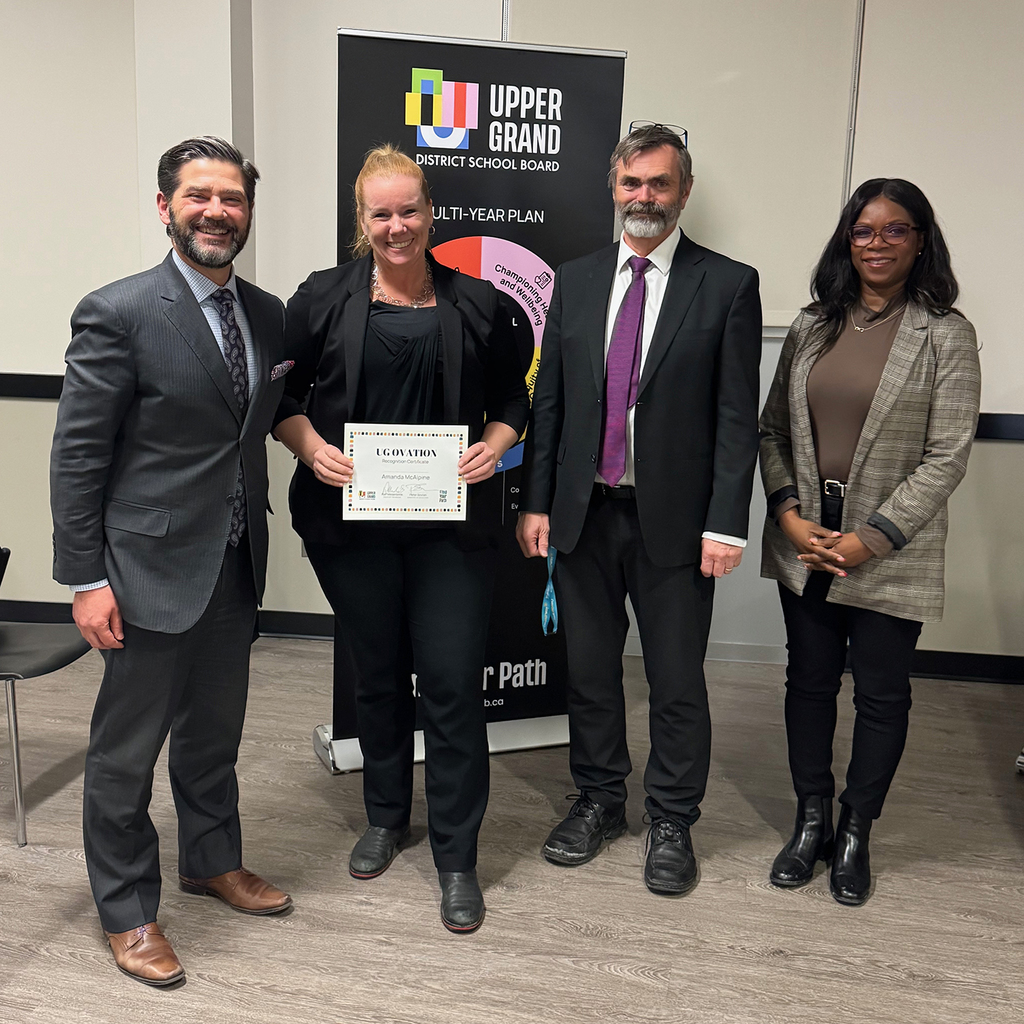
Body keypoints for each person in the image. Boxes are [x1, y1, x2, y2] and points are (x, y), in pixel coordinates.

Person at [50, 137, 293, 986]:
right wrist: (86, 579)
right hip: (143, 572)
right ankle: (127, 910)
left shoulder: (266, 314)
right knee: (125, 755)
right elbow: (78, 458)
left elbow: (264, 420)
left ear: (248, 213)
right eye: (199, 196)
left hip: (233, 561)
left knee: (212, 736)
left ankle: (211, 860)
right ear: (166, 208)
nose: (217, 211)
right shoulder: (117, 311)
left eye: (232, 198)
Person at [273, 145, 528, 933]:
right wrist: (310, 447)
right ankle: (386, 815)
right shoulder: (318, 300)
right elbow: (282, 402)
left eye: (408, 210)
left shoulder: (479, 304)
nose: (396, 226)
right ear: (362, 221)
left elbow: (514, 399)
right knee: (376, 675)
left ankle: (457, 857)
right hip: (351, 530)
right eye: (380, 213)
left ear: (430, 211)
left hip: (451, 533)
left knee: (451, 684)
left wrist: (497, 442)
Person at [516, 123, 762, 895]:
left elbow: (734, 418)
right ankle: (598, 800)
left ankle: (673, 819)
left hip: (678, 526)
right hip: (583, 515)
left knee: (676, 678)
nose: (645, 197)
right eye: (632, 183)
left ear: (684, 192)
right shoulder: (577, 279)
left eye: (660, 183)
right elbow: (548, 403)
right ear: (613, 188)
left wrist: (726, 522)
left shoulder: (726, 284)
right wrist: (536, 503)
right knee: (589, 674)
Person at [759, 178, 981, 905]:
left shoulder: (946, 332)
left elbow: (947, 453)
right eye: (863, 230)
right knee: (809, 684)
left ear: (921, 240)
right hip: (808, 541)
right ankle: (810, 819)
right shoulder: (813, 323)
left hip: (890, 551)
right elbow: (771, 432)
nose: (877, 243)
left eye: (895, 230)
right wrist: (789, 513)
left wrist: (872, 538)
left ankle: (856, 831)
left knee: (882, 697)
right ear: (845, 240)